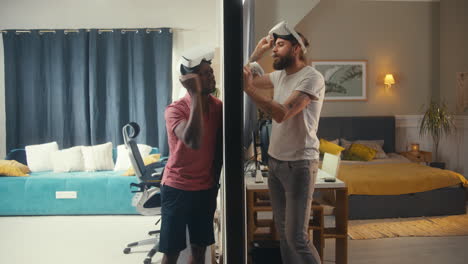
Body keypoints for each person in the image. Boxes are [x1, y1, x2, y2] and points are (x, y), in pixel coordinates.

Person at [243, 21, 325, 264]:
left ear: (296, 48)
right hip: (276, 164)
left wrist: (249, 90)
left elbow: (282, 113)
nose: (274, 50)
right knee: (284, 234)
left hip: (300, 164)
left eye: (280, 45)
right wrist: (257, 53)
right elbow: (243, 77)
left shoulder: (311, 78)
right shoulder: (279, 76)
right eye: (273, 46)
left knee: (297, 237)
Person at [159, 46, 223, 264]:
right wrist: (195, 94)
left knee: (199, 249)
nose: (211, 75)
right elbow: (193, 141)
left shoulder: (219, 107)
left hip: (205, 189)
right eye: (205, 74)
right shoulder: (175, 110)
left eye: (211, 71)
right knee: (172, 252)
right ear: (191, 80)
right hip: (177, 188)